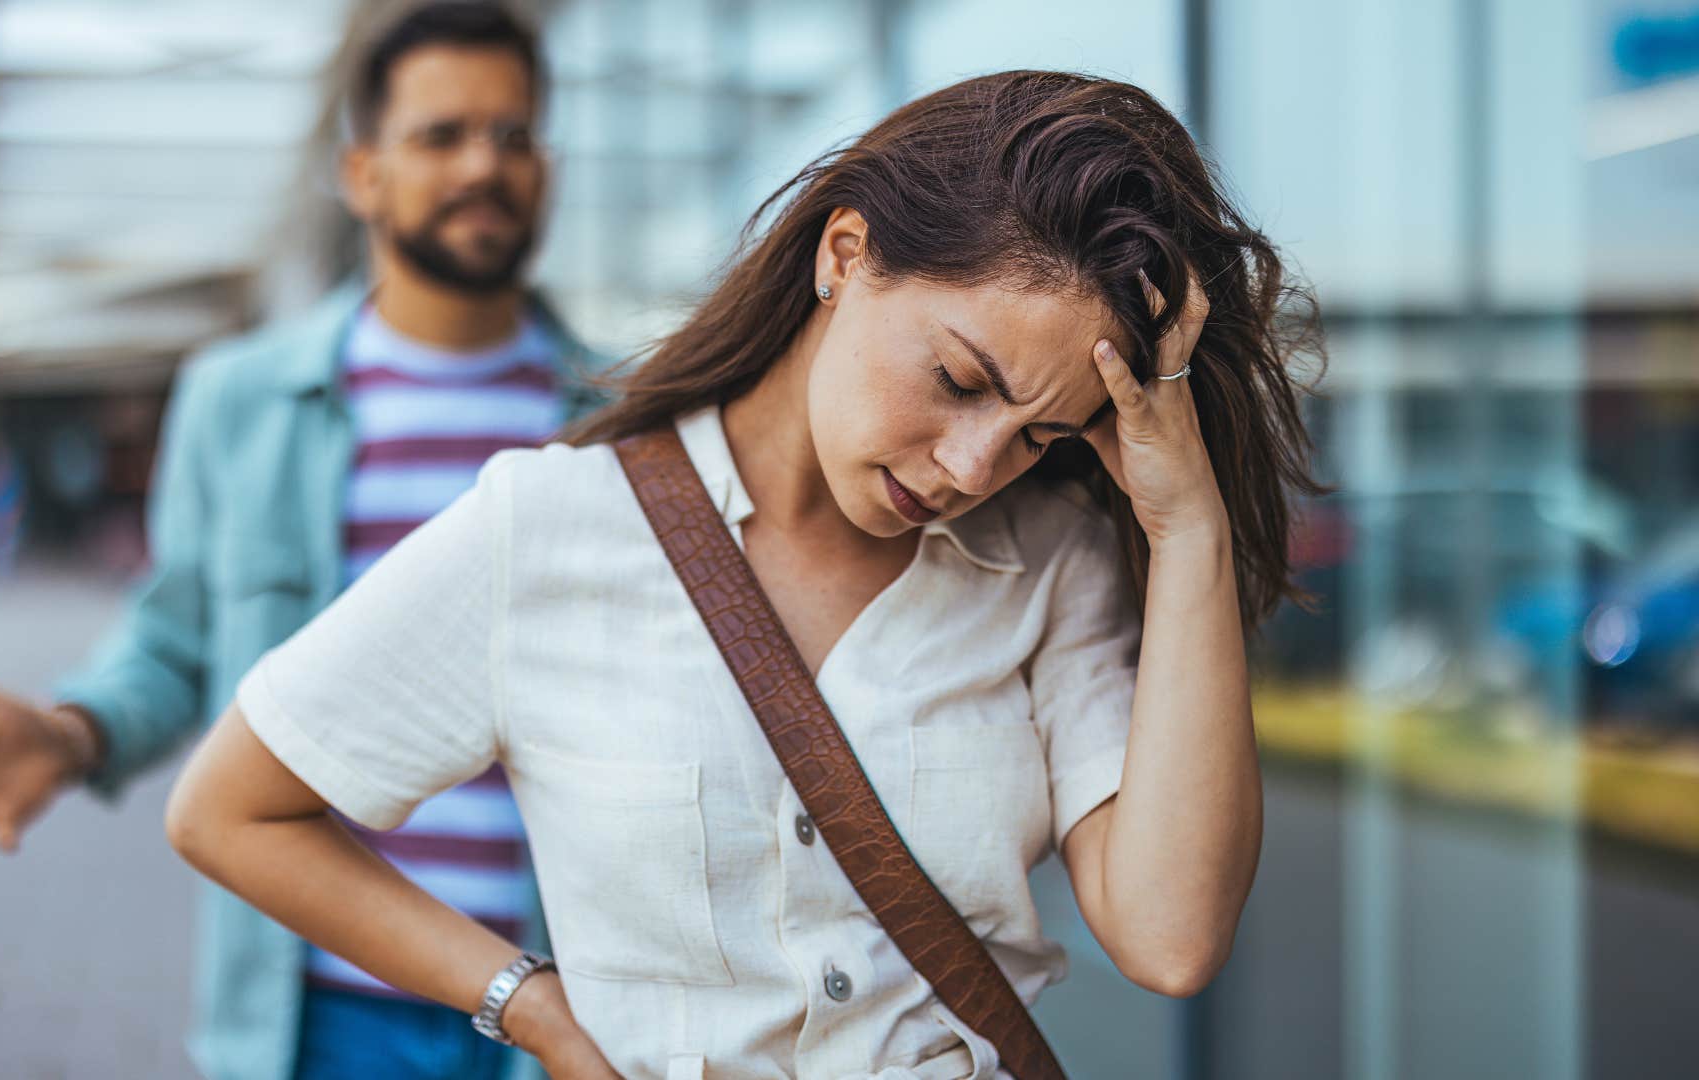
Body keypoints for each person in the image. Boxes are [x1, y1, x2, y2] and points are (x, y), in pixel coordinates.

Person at [164, 70, 1328, 1079]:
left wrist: (1187, 530)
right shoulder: (556, 526)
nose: (974, 466)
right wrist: (530, 1006)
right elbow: (231, 810)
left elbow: (1171, 938)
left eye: (1042, 434)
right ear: (845, 256)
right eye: (961, 381)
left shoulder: (1052, 562)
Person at [0, 4, 601, 1079]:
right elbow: (178, 643)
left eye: (514, 135)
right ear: (361, 173)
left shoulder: (625, 420)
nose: (484, 164)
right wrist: (72, 733)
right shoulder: (240, 401)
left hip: (575, 1003)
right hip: (321, 1001)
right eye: (442, 135)